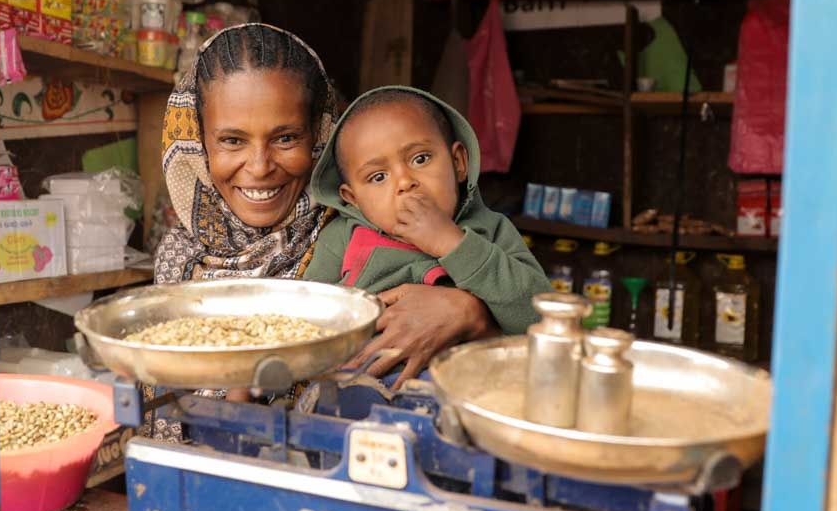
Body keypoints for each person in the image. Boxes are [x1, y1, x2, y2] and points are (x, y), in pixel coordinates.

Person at [153, 24, 498, 395]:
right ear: (198, 143)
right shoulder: (179, 258)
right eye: (232, 140)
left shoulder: (372, 224)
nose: (259, 166)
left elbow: (516, 350)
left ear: (318, 135)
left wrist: (471, 315)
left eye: (286, 138)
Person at [302, 86, 548, 334]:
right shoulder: (342, 237)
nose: (404, 182)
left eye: (420, 159)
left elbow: (540, 319)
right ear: (353, 198)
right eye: (378, 177)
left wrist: (451, 243)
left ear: (458, 163)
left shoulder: (492, 230)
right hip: (360, 369)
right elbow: (306, 318)